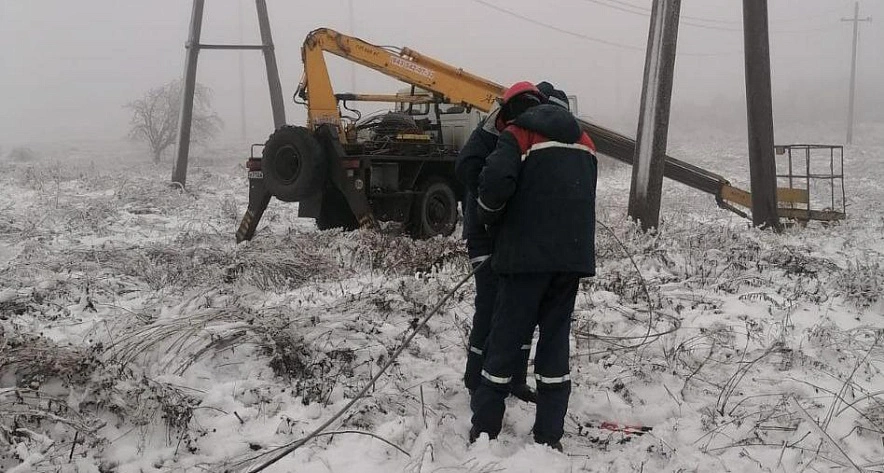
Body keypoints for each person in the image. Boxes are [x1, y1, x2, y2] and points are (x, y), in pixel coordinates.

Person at [469, 81, 598, 451]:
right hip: (570, 261)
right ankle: (549, 434)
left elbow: (493, 187)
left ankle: (484, 431)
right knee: (555, 342)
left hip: (524, 260)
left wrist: (490, 220)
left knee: (505, 341)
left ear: (512, 110)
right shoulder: (585, 141)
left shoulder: (518, 134)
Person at [454, 83, 556, 404]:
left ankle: (514, 380)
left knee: (522, 307)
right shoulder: (488, 135)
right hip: (484, 234)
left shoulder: (532, 132)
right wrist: (489, 205)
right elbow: (467, 167)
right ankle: (475, 378)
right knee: (490, 303)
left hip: (513, 236)